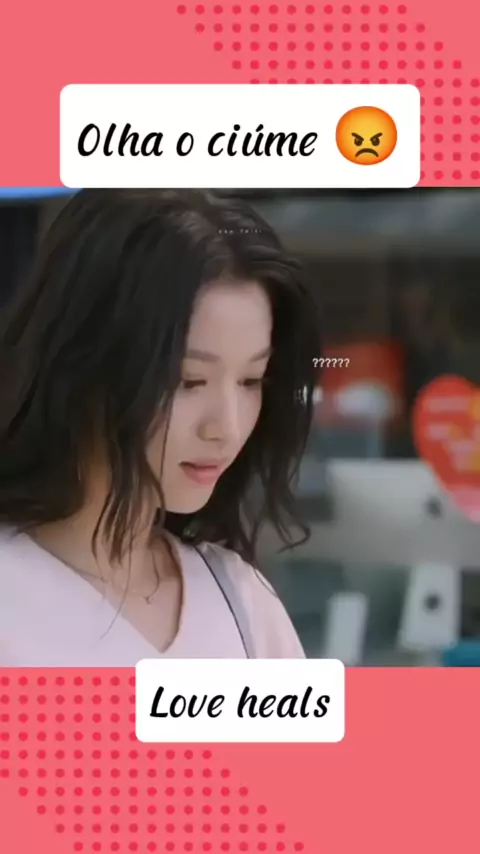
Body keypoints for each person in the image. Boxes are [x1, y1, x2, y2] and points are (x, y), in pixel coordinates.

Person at [0, 189, 320, 665]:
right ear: (82, 363)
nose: (226, 428)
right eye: (188, 380)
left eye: (252, 380)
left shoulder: (242, 603)